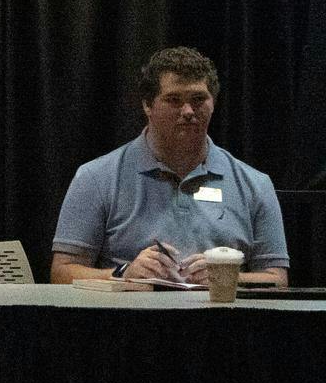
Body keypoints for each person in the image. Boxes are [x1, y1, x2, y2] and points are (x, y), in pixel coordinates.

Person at [50, 46, 289, 287]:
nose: (187, 111)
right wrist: (124, 273)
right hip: (128, 320)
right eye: (174, 100)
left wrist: (228, 277)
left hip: (221, 322)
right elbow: (61, 273)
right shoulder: (96, 177)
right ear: (147, 105)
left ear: (213, 103)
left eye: (198, 100)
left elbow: (278, 280)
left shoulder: (254, 184)